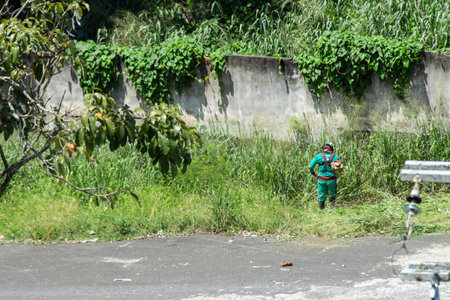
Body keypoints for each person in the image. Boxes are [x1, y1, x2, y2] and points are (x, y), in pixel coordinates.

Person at [309, 142, 341, 210]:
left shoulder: (318, 156)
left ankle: (321, 209)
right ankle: (332, 209)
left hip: (321, 179)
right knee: (332, 194)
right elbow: (340, 167)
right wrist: (337, 175)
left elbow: (310, 166)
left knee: (321, 195)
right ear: (331, 148)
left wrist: (313, 174)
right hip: (332, 179)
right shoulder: (335, 157)